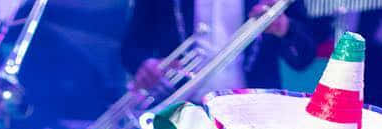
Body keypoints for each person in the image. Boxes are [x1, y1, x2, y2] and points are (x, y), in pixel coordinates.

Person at [121, 1, 316, 100]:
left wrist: (285, 27)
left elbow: (304, 56)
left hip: (254, 118)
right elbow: (131, 47)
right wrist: (146, 64)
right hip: (180, 115)